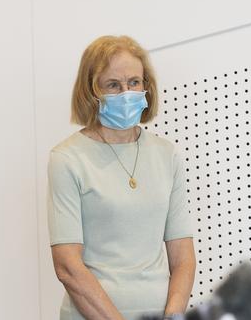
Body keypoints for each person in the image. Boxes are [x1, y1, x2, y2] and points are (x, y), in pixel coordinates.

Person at [47, 35, 196, 320]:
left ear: (146, 86)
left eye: (134, 82)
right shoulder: (67, 159)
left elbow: (183, 258)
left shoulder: (167, 155)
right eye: (113, 85)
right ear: (92, 92)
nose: (126, 92)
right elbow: (67, 266)